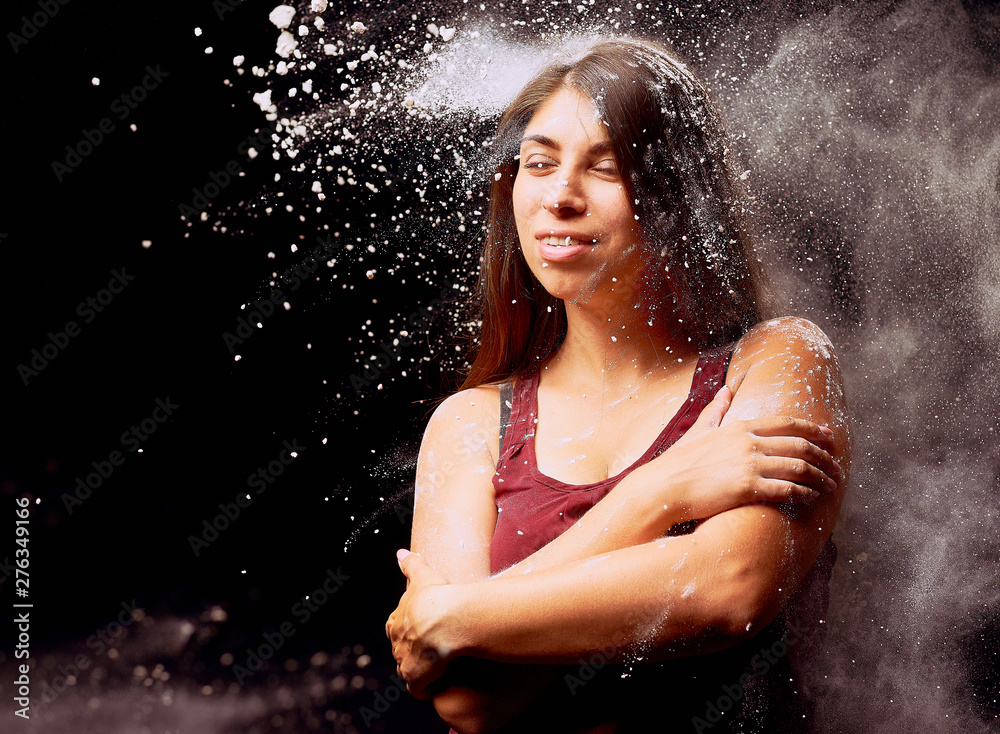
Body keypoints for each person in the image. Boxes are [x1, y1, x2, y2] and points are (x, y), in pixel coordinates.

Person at [385, 37, 850, 734]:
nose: (560, 196)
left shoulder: (778, 359)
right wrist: (656, 495)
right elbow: (470, 701)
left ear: (678, 197)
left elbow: (728, 589)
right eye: (538, 164)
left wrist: (450, 617)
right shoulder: (469, 424)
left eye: (604, 169)